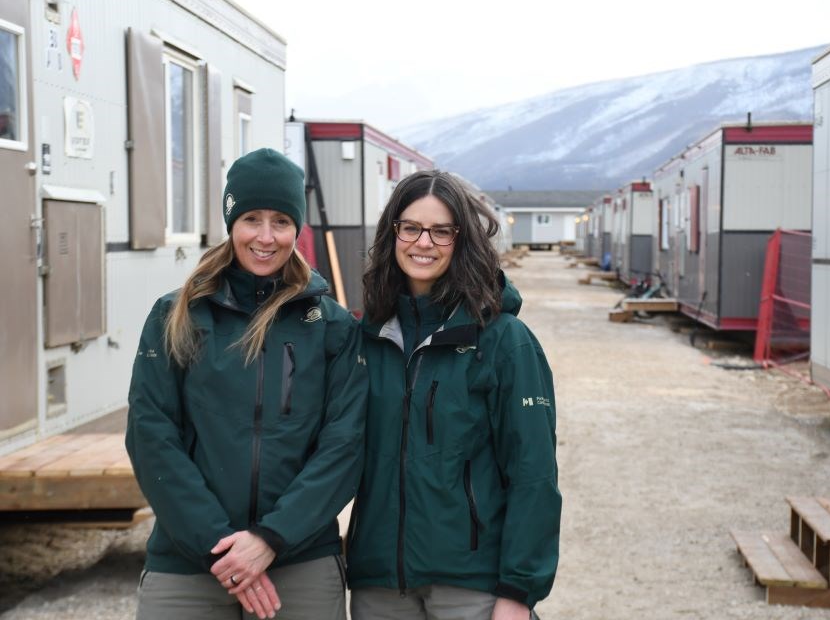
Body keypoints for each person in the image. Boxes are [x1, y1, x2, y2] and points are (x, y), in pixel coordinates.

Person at [126, 148, 366, 620]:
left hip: (299, 561)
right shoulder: (176, 316)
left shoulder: (331, 325)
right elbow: (151, 435)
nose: (265, 236)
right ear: (231, 221)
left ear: (297, 229)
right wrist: (221, 549)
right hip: (188, 563)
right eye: (251, 218)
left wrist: (271, 539)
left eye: (280, 221)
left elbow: (345, 444)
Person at [346, 170, 561, 620]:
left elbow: (533, 474)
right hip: (380, 585)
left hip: (471, 587)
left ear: (462, 240)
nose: (423, 242)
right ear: (392, 234)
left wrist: (518, 591)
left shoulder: (504, 341)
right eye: (411, 227)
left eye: (441, 231)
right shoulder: (367, 338)